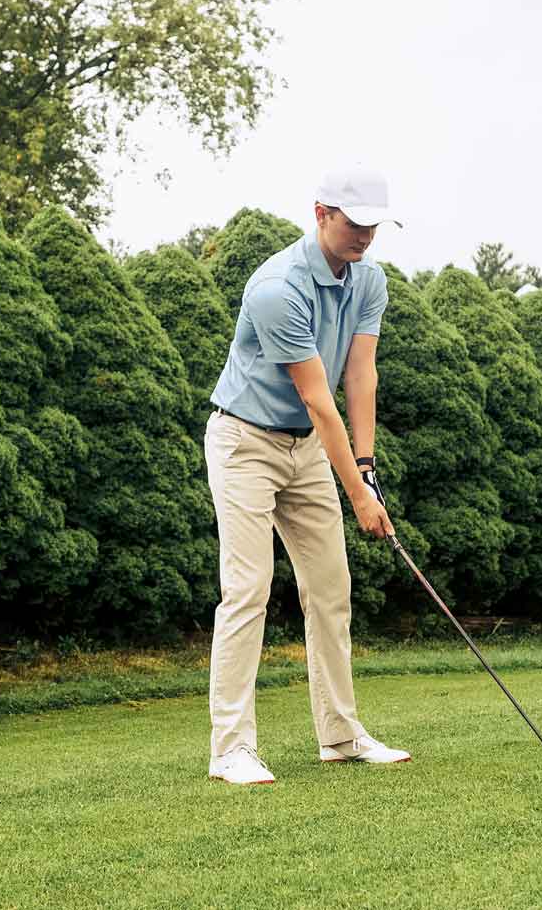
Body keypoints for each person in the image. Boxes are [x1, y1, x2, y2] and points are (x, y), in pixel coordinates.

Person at [203, 167, 410, 785]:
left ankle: (340, 735)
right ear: (322, 213)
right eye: (355, 223)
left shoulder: (369, 279)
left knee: (330, 589)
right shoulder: (277, 288)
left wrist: (366, 470)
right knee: (248, 589)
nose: (365, 236)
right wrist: (359, 497)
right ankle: (231, 749)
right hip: (245, 443)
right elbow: (320, 400)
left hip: (308, 449)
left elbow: (360, 376)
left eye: (374, 226)